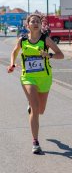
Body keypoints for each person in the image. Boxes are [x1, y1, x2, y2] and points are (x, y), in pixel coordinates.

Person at [7, 14, 64, 154]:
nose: (35, 23)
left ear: (41, 25)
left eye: (38, 21)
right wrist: (12, 64)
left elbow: (60, 54)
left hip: (44, 78)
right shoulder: (23, 40)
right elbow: (14, 52)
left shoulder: (46, 39)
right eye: (32, 21)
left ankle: (32, 107)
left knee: (41, 110)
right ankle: (35, 142)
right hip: (28, 78)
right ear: (28, 25)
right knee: (35, 107)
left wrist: (49, 55)